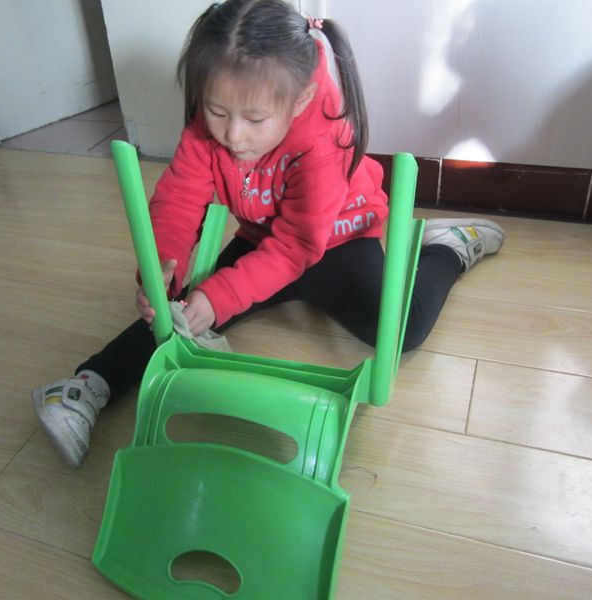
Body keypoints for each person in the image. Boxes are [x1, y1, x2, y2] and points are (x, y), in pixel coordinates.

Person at [32, 0, 505, 468]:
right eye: (217, 111)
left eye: (255, 120)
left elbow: (297, 246)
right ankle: (85, 386)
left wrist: (222, 295)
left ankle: (448, 249)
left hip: (339, 242)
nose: (233, 135)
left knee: (405, 330)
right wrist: (163, 264)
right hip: (263, 239)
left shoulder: (322, 139)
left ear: (300, 100)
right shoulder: (210, 122)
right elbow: (179, 196)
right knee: (180, 313)